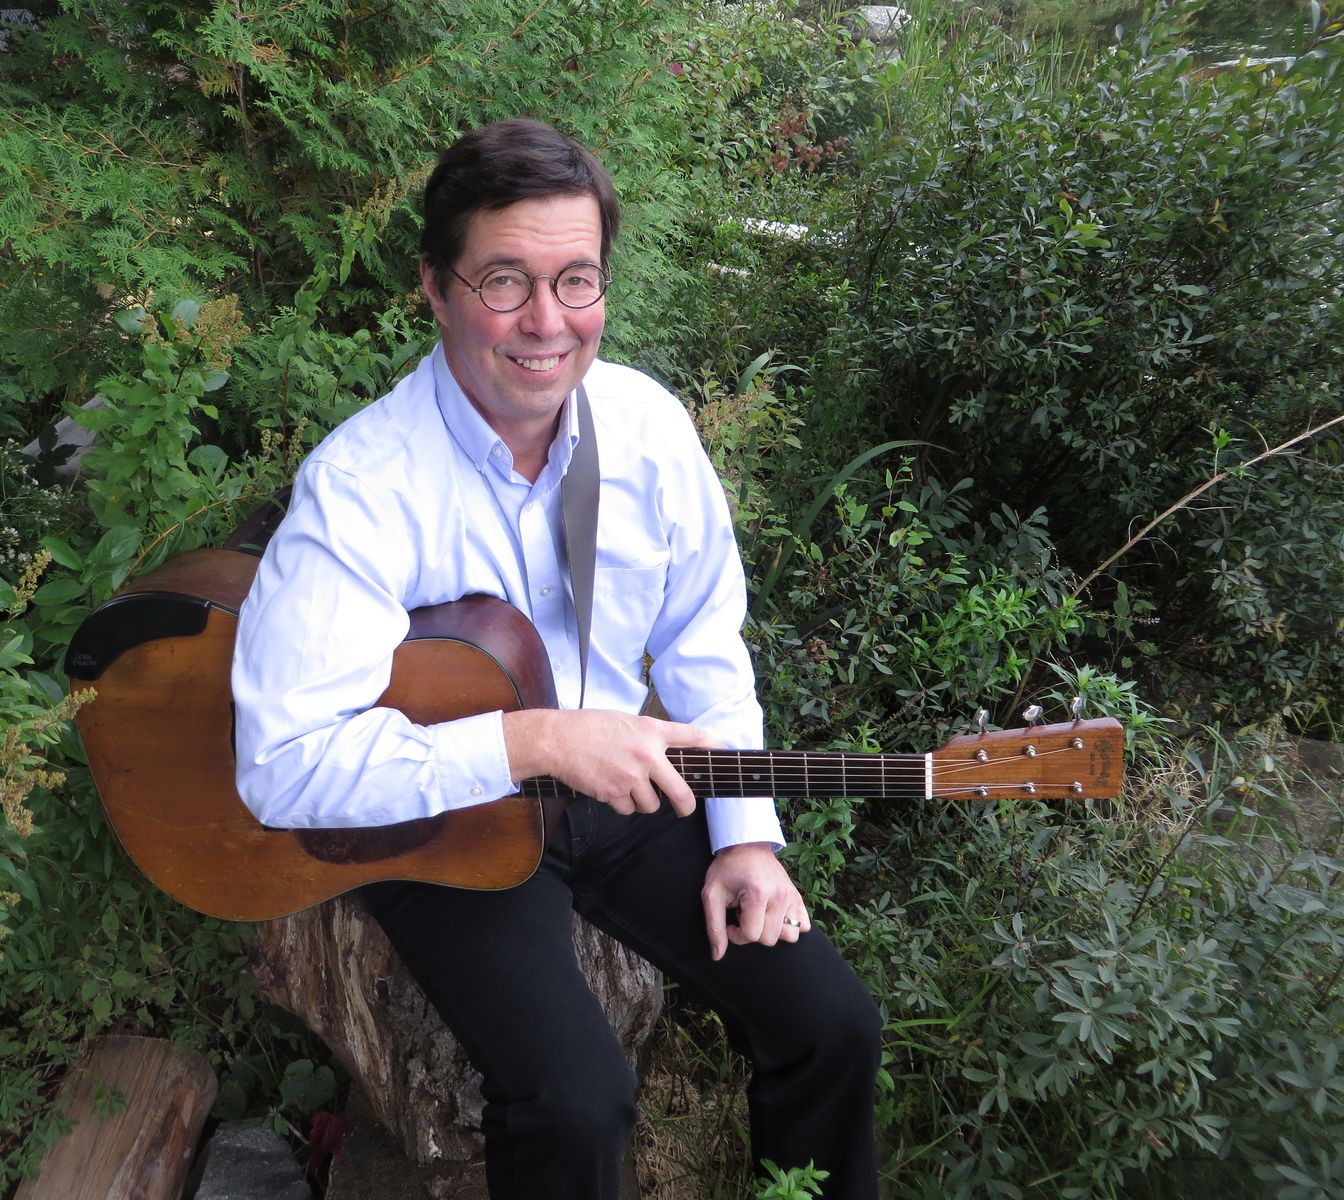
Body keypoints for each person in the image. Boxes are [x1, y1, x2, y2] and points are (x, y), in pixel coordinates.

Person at [231, 117, 881, 1200]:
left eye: (576, 280)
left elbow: (701, 640)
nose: (547, 321)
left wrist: (745, 839)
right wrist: (531, 740)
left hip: (615, 787)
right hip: (445, 811)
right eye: (504, 282)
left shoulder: (647, 429)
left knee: (833, 1024)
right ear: (435, 287)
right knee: (576, 1101)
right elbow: (282, 766)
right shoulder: (361, 488)